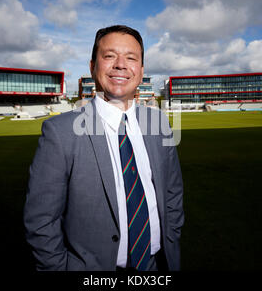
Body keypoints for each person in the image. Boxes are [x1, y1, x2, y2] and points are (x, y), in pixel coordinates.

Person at [23, 25, 184, 271]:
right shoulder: (61, 132)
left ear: (141, 72)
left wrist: (171, 236)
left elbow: (172, 194)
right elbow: (41, 220)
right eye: (109, 56)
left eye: (131, 58)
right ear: (92, 66)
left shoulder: (159, 124)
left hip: (156, 266)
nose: (121, 64)